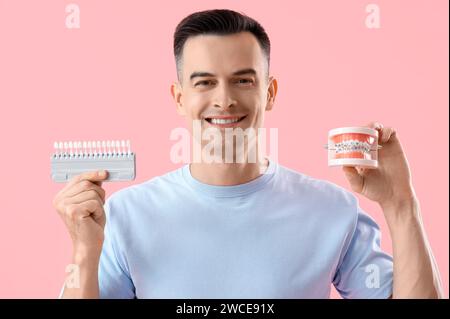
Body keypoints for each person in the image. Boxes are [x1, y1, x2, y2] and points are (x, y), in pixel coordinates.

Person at [53, 9, 443, 298]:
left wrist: (401, 204)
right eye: (205, 82)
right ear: (179, 97)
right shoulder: (125, 216)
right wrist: (85, 250)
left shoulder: (333, 210)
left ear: (269, 93)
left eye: (242, 80)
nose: (224, 100)